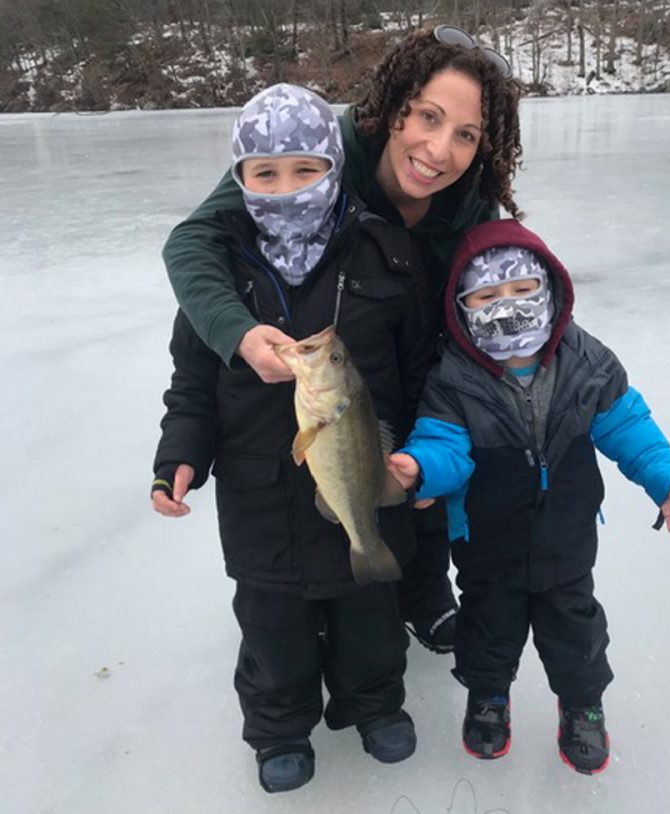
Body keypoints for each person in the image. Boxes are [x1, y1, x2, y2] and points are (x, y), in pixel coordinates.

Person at [160, 25, 524, 653]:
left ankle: (423, 589)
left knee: (430, 444)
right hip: (338, 337)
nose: (438, 150)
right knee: (345, 465)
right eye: (427, 118)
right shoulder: (323, 152)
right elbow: (193, 242)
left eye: (465, 135)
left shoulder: (470, 205)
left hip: (414, 340)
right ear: (393, 109)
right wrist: (239, 335)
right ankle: (322, 592)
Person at [151, 83, 435, 794]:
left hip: (363, 472)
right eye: (265, 173)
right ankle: (279, 726)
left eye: (306, 169)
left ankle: (374, 703)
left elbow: (420, 375)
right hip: (257, 497)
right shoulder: (217, 272)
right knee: (271, 625)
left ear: (335, 167)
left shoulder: (384, 254)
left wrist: (421, 459)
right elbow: (191, 385)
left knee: (370, 616)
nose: (286, 188)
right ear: (238, 179)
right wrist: (178, 458)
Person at [387, 218, 670, 775]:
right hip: (486, 541)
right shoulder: (453, 377)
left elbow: (629, 426)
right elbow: (444, 445)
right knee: (486, 627)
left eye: (522, 290)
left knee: (574, 629)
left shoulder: (587, 361)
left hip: (566, 539)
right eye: (485, 295)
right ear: (461, 308)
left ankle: (582, 705)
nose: (505, 305)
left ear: (550, 290)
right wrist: (418, 469)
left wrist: (665, 477)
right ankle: (488, 698)